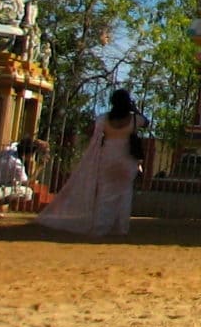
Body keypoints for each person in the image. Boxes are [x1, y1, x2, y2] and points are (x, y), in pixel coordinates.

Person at [38, 89, 142, 237]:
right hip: (126, 159)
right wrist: (134, 108)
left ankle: (101, 226)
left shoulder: (104, 119)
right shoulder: (133, 119)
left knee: (105, 192)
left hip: (108, 156)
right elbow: (146, 122)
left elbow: (89, 129)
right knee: (125, 192)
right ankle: (121, 227)